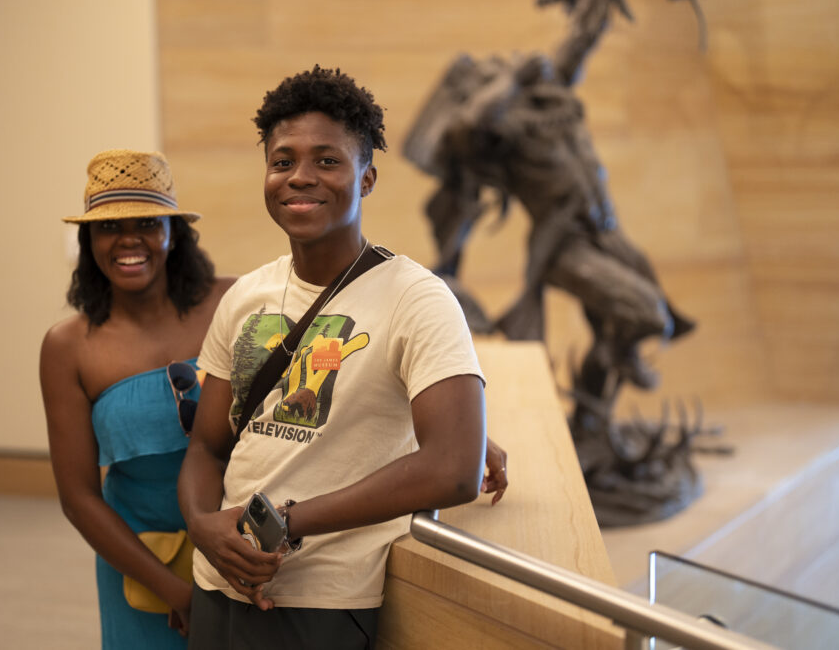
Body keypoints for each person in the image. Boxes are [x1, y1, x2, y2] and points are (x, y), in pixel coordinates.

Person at [178, 66, 508, 649]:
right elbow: (207, 446)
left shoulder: (417, 298)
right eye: (283, 161)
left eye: (327, 160)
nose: (299, 177)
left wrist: (284, 525)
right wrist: (205, 528)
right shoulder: (245, 297)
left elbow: (454, 467)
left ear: (367, 176)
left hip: (322, 604)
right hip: (216, 584)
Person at [40, 149, 233, 648]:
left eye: (147, 221)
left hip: (244, 553)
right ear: (89, 242)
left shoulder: (232, 303)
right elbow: (79, 497)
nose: (129, 239)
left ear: (174, 234)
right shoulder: (68, 347)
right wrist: (176, 591)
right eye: (109, 227)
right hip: (142, 568)